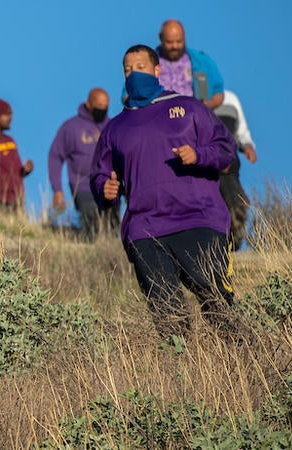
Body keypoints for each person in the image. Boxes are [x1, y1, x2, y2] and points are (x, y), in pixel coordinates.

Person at [91, 45, 239, 340]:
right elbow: (98, 174)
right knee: (169, 319)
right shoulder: (115, 128)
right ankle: (180, 374)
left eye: (140, 67)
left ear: (157, 71)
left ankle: (242, 364)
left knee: (219, 306)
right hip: (146, 230)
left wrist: (199, 155)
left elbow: (226, 150)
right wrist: (105, 189)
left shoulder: (190, 108)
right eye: (128, 70)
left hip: (199, 220)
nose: (134, 74)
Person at [47, 87, 120, 237]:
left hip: (109, 186)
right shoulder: (71, 127)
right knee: (92, 227)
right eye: (98, 107)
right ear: (88, 104)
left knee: (112, 231)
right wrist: (57, 190)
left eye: (105, 108)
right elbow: (55, 156)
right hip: (83, 187)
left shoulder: (113, 127)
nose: (102, 110)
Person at [213, 89, 258, 250]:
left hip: (229, 158)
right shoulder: (191, 96)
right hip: (205, 158)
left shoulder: (230, 99)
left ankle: (236, 222)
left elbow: (241, 129)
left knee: (232, 192)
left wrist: (247, 145)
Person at [157, 19, 225, 110]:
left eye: (179, 41)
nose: (175, 46)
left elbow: (218, 92)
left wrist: (205, 107)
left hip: (192, 118)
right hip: (160, 118)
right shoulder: (149, 63)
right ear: (161, 38)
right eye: (169, 42)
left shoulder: (202, 62)